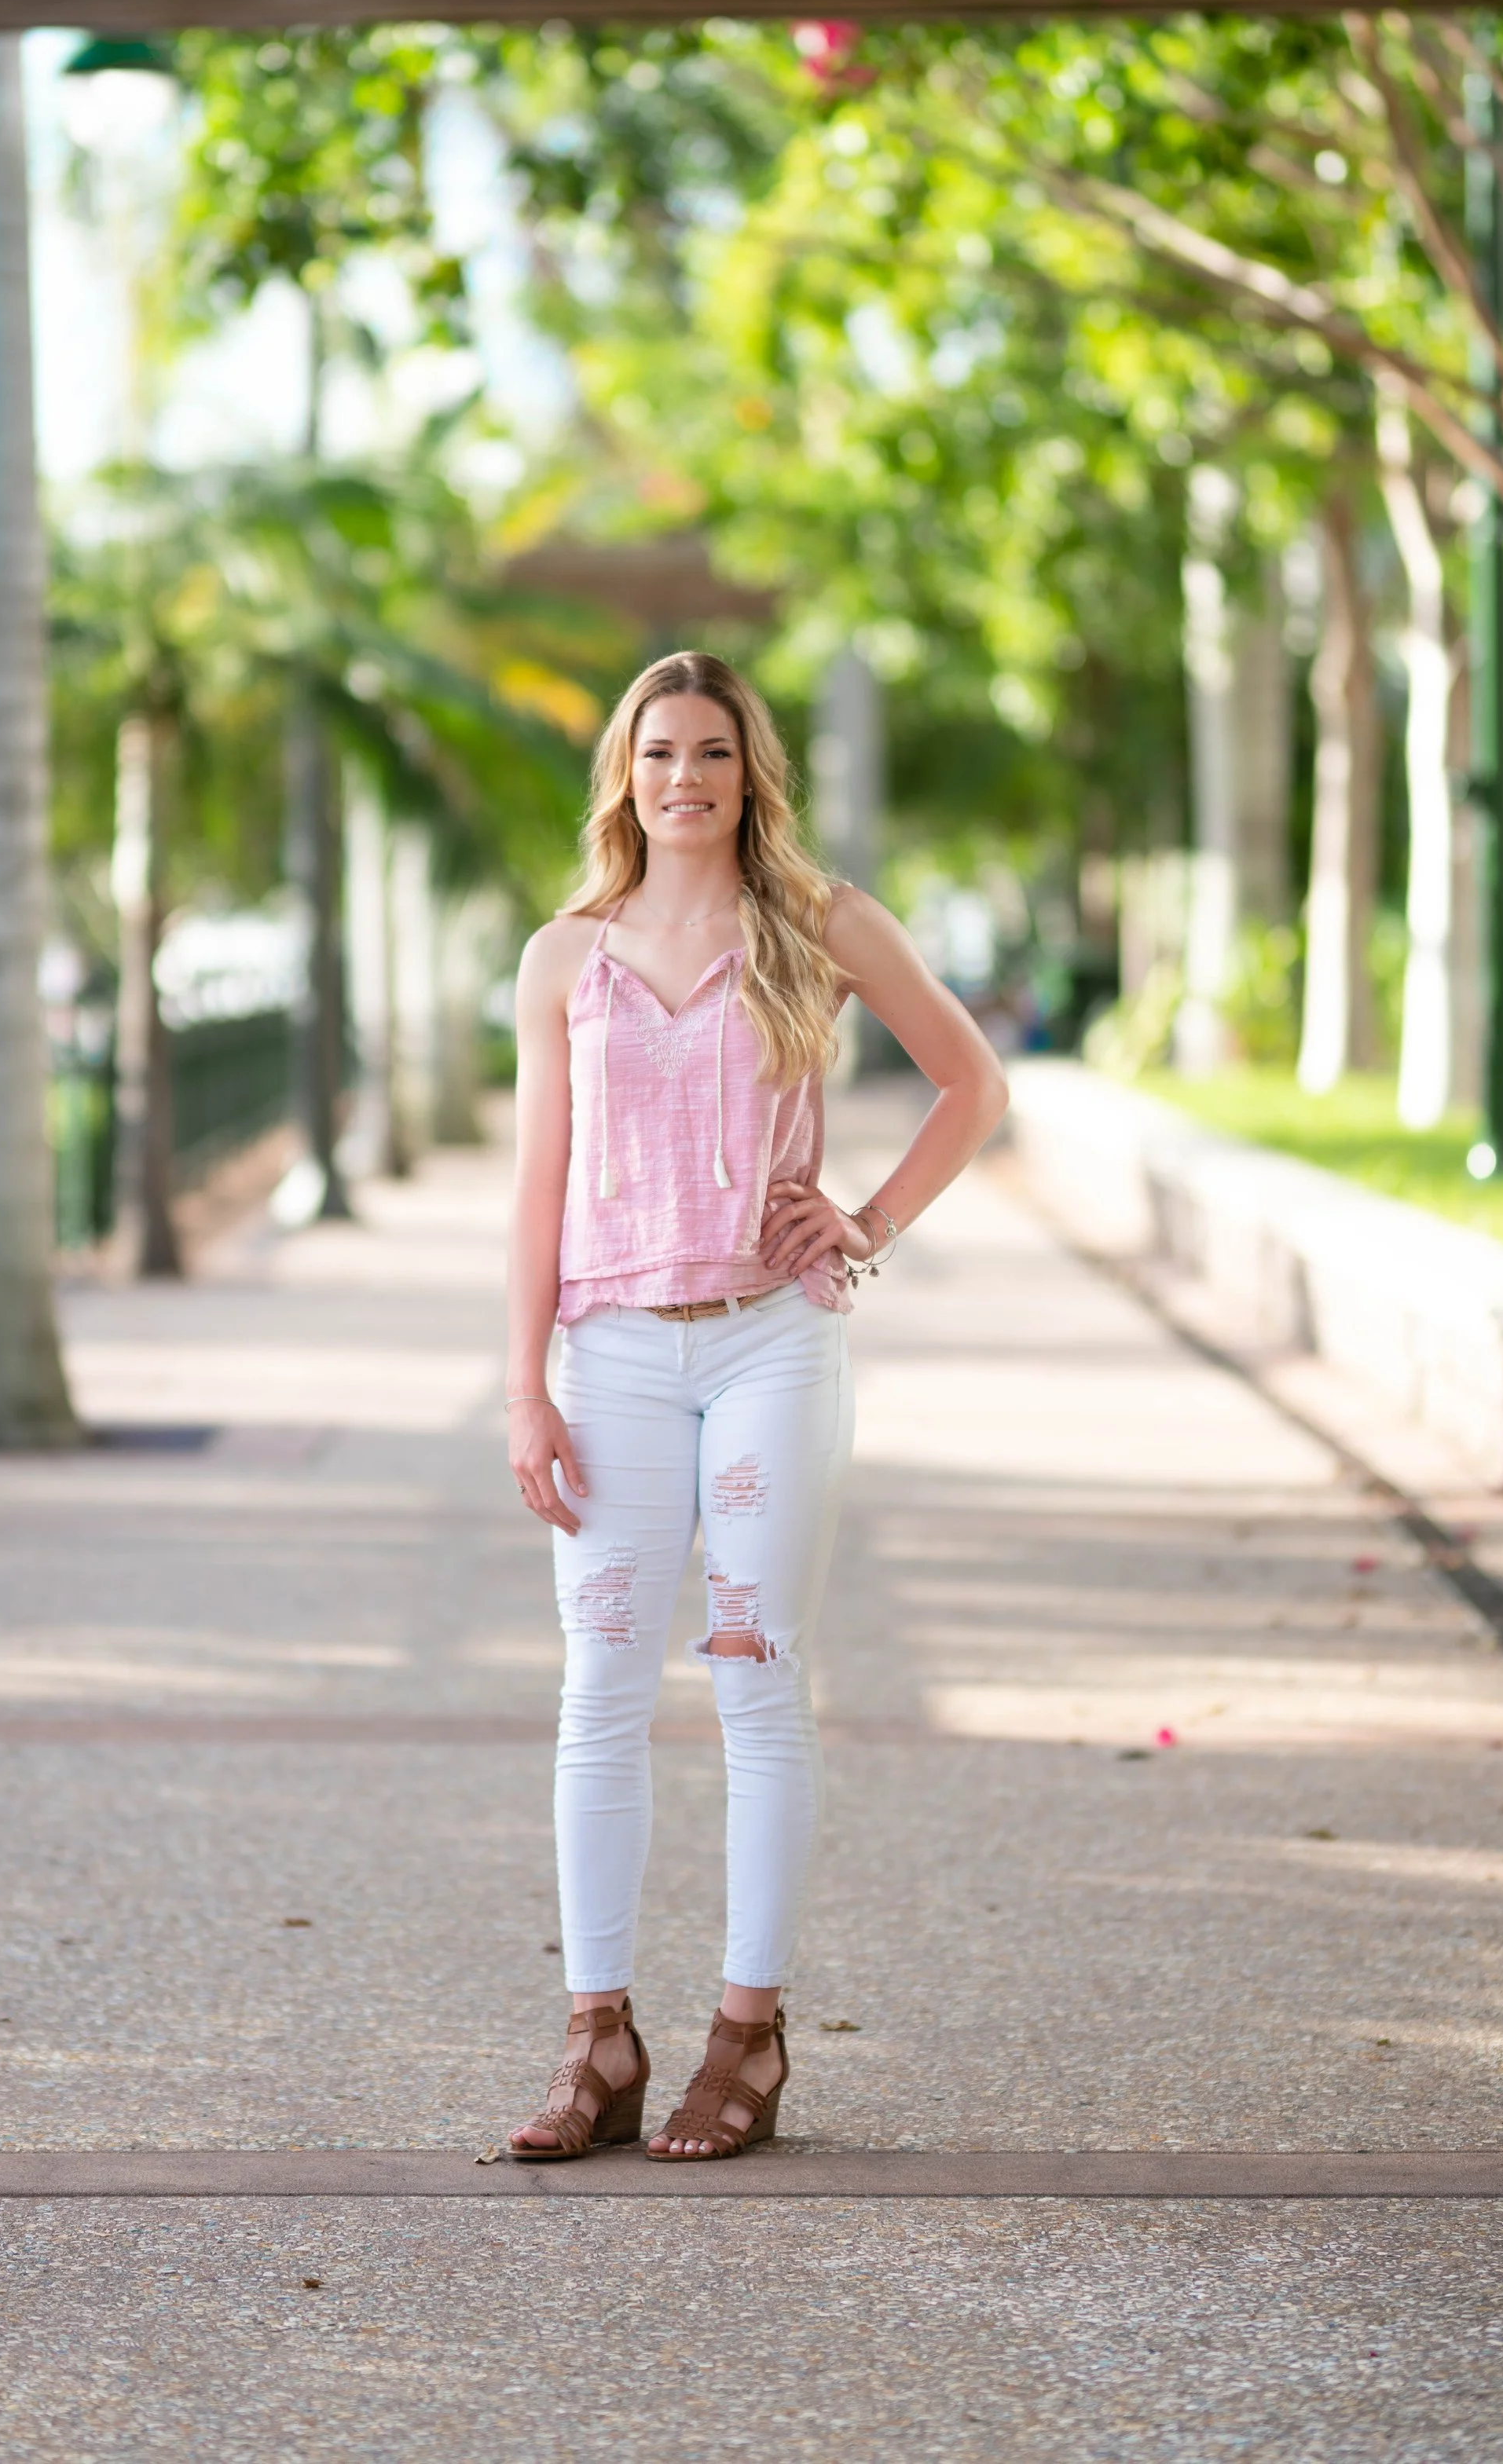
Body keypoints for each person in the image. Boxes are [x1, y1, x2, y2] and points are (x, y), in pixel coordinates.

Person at [504, 651, 1008, 2161]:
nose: (685, 780)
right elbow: (536, 1190)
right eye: (659, 753)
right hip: (610, 1356)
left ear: (748, 771)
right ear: (625, 773)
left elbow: (969, 1083)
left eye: (712, 753)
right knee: (598, 1697)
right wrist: (522, 1390)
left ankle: (748, 2037)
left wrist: (866, 1223)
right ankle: (598, 2043)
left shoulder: (818, 923)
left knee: (754, 1681)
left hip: (771, 1346)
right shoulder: (563, 957)